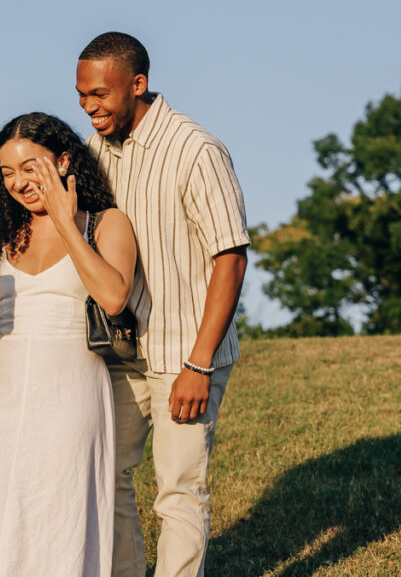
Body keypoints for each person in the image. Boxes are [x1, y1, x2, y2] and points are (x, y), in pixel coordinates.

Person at [0, 112, 137, 577]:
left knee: (57, 510)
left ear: (62, 161)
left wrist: (66, 223)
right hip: (1, 393)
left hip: (71, 392)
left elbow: (114, 296)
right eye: (7, 173)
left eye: (29, 167)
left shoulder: (106, 223)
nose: (18, 182)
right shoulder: (2, 232)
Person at [76, 32, 249, 577]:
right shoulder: (93, 150)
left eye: (99, 95)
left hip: (184, 352)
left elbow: (232, 256)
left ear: (138, 84)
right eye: (82, 95)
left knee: (179, 490)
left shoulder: (197, 150)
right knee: (105, 472)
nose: (89, 107)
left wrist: (199, 364)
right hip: (122, 348)